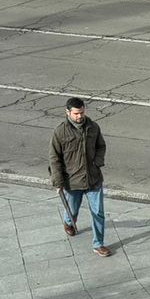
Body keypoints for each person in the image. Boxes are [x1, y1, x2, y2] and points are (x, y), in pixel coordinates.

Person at [50, 96, 110, 257]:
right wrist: (58, 182)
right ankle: (68, 221)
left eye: (82, 112)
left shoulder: (93, 127)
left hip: (93, 178)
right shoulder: (60, 132)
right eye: (76, 113)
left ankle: (98, 244)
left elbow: (101, 146)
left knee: (98, 212)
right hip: (72, 181)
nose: (79, 116)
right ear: (68, 112)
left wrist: (97, 162)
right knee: (72, 209)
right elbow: (54, 158)